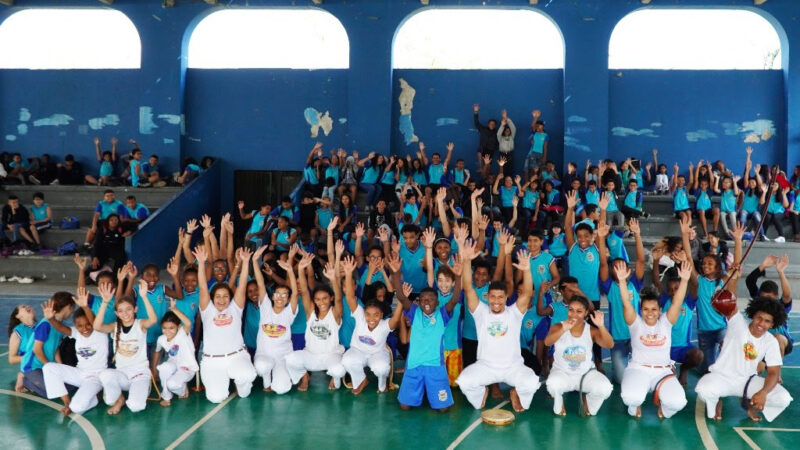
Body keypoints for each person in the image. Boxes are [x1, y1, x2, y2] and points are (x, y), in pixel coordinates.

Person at [455, 233, 540, 413]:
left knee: (532, 383)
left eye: (500, 297)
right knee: (464, 382)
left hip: (513, 367)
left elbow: (526, 294)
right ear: (487, 297)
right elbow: (468, 288)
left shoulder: (514, 313)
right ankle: (482, 392)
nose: (496, 301)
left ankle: (516, 392)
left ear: (506, 297)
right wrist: (467, 261)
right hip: (486, 367)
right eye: (492, 297)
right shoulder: (481, 312)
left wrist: (527, 269)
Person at [695, 296, 793, 422]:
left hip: (747, 381)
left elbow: (774, 373)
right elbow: (732, 301)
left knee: (783, 398)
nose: (761, 323)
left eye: (767, 321)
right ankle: (716, 401)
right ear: (753, 316)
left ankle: (749, 404)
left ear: (772, 324)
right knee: (703, 390)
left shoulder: (771, 342)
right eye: (759, 318)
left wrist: (763, 392)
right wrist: (730, 285)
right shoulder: (738, 324)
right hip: (722, 377)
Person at [619, 262, 692, 418]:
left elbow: (677, 302)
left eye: (654, 309)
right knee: (631, 398)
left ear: (660, 310)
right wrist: (622, 281)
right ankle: (635, 405)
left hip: (662, 371)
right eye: (645, 309)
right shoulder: (635, 323)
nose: (650, 313)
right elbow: (626, 303)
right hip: (639, 369)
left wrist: (685, 280)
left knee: (678, 403)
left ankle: (664, 410)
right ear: (641, 310)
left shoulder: (666, 322)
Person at [194, 245, 257, 403]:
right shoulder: (207, 310)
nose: (221, 300)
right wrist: (201, 263)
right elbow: (202, 287)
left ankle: (240, 384)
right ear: (212, 298)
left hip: (236, 356)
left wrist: (245, 263)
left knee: (247, 378)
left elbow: (242, 285)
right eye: (218, 296)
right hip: (212, 361)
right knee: (216, 398)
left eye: (225, 296)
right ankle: (224, 382)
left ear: (230, 298)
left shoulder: (235, 308)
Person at [681, 216, 744, 373]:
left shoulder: (723, 281)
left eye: (710, 264)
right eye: (704, 263)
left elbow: (736, 265)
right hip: (704, 331)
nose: (705, 266)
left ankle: (732, 368)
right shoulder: (698, 281)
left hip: (721, 328)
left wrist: (738, 240)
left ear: (717, 267)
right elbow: (689, 258)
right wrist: (684, 235)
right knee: (706, 370)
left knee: (728, 347)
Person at [341, 255, 404, 395]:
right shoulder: (360, 316)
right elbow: (350, 297)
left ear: (381, 315)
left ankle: (382, 386)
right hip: (358, 351)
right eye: (368, 314)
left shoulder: (384, 324)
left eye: (376, 315)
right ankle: (362, 380)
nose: (371, 318)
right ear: (364, 313)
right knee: (346, 361)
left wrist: (401, 300)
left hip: (377, 353)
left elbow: (396, 318)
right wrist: (348, 273)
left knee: (382, 368)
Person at [286, 244, 347, 390]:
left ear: (330, 298)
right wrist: (301, 269)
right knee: (290, 359)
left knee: (338, 370)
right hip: (311, 355)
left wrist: (333, 279)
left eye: (325, 298)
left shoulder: (335, 314)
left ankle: (334, 377)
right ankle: (305, 377)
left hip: (331, 355)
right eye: (318, 299)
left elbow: (339, 298)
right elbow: (305, 292)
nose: (322, 302)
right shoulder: (311, 313)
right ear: (314, 301)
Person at [93, 280, 157, 414]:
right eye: (121, 311)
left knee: (135, 407)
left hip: (139, 373)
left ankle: (139, 391)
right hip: (122, 374)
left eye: (129, 309)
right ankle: (120, 400)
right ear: (116, 313)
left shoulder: (140, 324)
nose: (125, 313)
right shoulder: (115, 327)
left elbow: (153, 320)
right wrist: (104, 303)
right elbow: (97, 326)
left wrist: (144, 297)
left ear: (135, 309)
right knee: (105, 376)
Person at [42, 288, 108, 415]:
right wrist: (51, 319)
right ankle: (67, 402)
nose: (84, 328)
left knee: (77, 408)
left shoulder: (100, 332)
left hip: (95, 377)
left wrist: (85, 307)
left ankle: (96, 397)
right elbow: (61, 327)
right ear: (75, 326)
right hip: (79, 373)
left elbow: (94, 321)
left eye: (88, 324)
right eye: (80, 326)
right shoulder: (76, 333)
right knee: (48, 368)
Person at [544, 295, 613, 416]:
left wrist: (601, 326)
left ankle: (588, 401)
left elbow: (609, 344)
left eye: (579, 311)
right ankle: (559, 402)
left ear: (586, 313)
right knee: (553, 385)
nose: (574, 314)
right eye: (571, 310)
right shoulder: (558, 326)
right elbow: (547, 342)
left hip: (585, 374)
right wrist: (563, 329)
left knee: (605, 388)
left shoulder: (591, 330)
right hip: (562, 373)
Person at [20, 292, 75, 396]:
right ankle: (25, 380)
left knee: (70, 385)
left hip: (46, 365)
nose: (72, 312)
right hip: (33, 367)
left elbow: (55, 348)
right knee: (52, 391)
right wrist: (50, 366)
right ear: (68, 307)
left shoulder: (60, 325)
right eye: (72, 308)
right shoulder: (45, 324)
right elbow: (37, 349)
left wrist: (61, 366)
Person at [152, 299, 198, 406]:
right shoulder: (161, 339)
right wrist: (153, 369)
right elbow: (157, 351)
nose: (167, 331)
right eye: (164, 328)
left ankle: (182, 390)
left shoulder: (183, 334)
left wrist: (174, 309)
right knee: (163, 367)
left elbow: (188, 322)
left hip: (187, 367)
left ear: (179, 327)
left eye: (171, 328)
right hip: (174, 364)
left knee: (171, 384)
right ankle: (166, 397)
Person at [8, 304, 36, 392]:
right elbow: (12, 359)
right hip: (32, 367)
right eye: (23, 306)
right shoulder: (18, 332)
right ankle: (24, 378)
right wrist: (32, 357)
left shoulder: (40, 326)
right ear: (18, 316)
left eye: (28, 305)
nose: (28, 306)